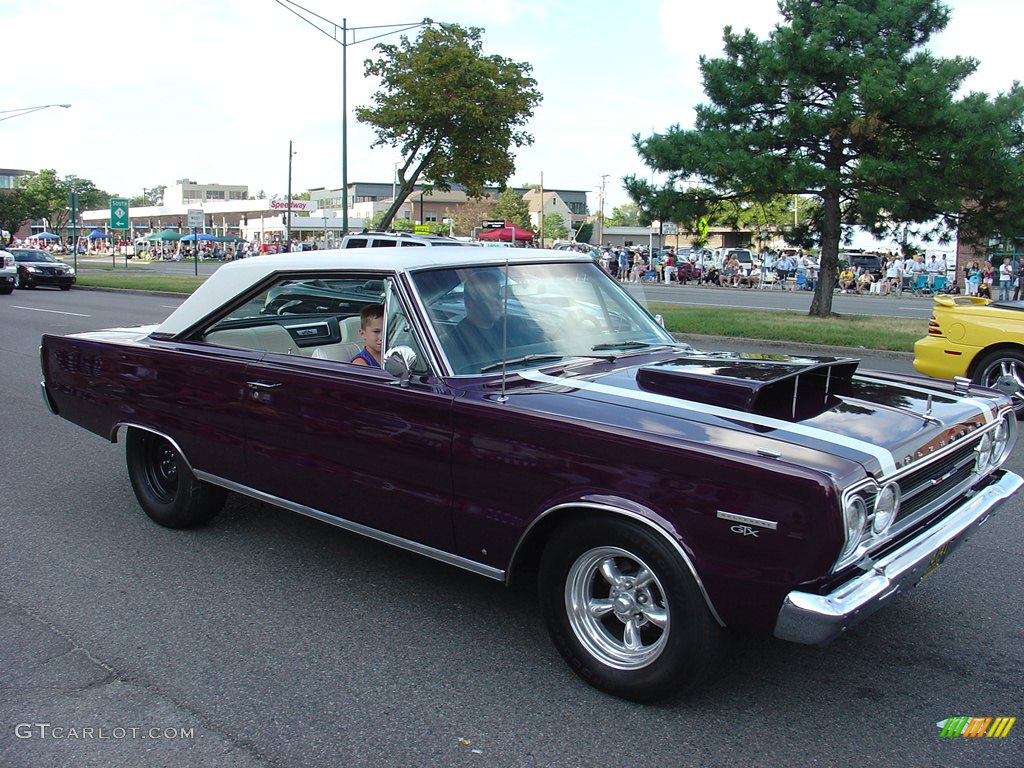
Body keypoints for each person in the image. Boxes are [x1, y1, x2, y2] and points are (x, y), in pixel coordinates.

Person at [449, 270, 544, 370]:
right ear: (469, 302)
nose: (499, 301)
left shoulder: (514, 325)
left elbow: (545, 349)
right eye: (490, 296)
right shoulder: (455, 341)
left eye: (499, 296)